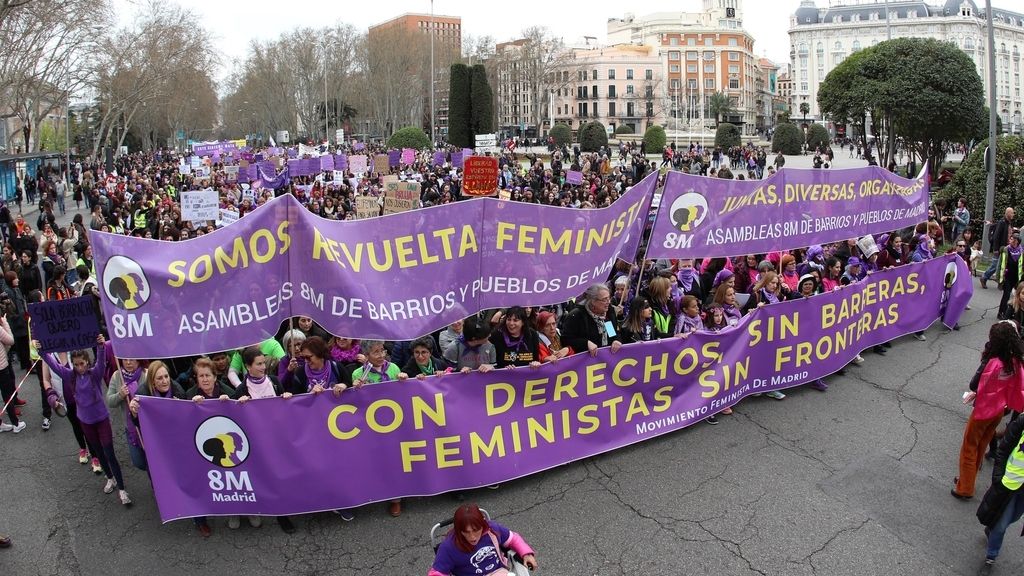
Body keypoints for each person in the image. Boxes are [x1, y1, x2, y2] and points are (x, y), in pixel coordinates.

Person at [39, 334, 132, 506]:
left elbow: (102, 360)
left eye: (82, 364)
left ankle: (122, 489)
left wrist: (101, 345)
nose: (80, 367)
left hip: (101, 419)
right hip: (85, 422)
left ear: (87, 362)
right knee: (98, 452)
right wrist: (41, 352)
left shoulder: (94, 374)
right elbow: (54, 365)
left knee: (110, 453)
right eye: (76, 365)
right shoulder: (70, 376)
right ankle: (109, 477)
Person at [953, 322, 1024, 500]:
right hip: (1000, 410)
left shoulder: (994, 362)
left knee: (969, 447)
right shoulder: (1015, 361)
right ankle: (967, 479)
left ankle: (965, 487)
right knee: (981, 444)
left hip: (983, 410)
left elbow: (975, 384)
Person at [229, 346, 296, 533]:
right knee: (267, 479)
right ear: (248, 366)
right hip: (258, 444)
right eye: (258, 364)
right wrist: (237, 405)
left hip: (278, 440)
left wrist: (286, 397)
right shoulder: (242, 389)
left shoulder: (274, 382)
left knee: (282, 478)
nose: (263, 367)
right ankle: (267, 511)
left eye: (263, 363)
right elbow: (233, 418)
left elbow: (285, 407)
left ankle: (285, 513)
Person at [429, 504, 538, 576]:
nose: (472, 537)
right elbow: (437, 573)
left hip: (498, 572)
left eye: (476, 530)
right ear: (459, 530)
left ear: (483, 525)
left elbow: (513, 539)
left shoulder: (492, 530)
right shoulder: (448, 547)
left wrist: (527, 554)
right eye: (466, 532)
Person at [976, 412, 1024, 574]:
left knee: (1014, 517)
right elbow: (1004, 449)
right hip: (1010, 483)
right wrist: (998, 477)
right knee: (1001, 525)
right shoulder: (1022, 420)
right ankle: (991, 557)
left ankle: (992, 528)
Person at [104, 358, 148, 471]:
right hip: (131, 429)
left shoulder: (146, 374)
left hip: (148, 427)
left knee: (152, 461)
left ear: (138, 360)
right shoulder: (117, 375)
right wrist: (120, 395)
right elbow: (109, 401)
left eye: (132, 359)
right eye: (125, 359)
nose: (128, 362)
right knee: (139, 462)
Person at [560, 283, 624, 357]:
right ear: (593, 301)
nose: (608, 302)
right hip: (585, 363)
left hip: (606, 360)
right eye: (604, 299)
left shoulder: (609, 312)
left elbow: (612, 332)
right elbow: (566, 340)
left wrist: (616, 340)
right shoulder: (577, 315)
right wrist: (586, 343)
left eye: (608, 298)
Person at [982, 207, 1015, 289]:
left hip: (1005, 248)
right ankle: (984, 277)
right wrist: (996, 249)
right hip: (999, 248)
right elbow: (996, 236)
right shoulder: (1002, 222)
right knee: (995, 265)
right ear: (1007, 213)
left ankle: (1000, 282)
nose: (1013, 215)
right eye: (1012, 213)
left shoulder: (1008, 223)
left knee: (1003, 266)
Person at [996, 233, 1023, 320]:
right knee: (1006, 295)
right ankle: (1001, 313)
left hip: (1017, 277)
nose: (1010, 241)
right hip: (1007, 276)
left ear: (1017, 242)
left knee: (1018, 296)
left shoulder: (1021, 251)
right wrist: (999, 275)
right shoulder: (1005, 250)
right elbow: (1000, 263)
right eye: (1010, 239)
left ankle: (1015, 314)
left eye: (1013, 239)